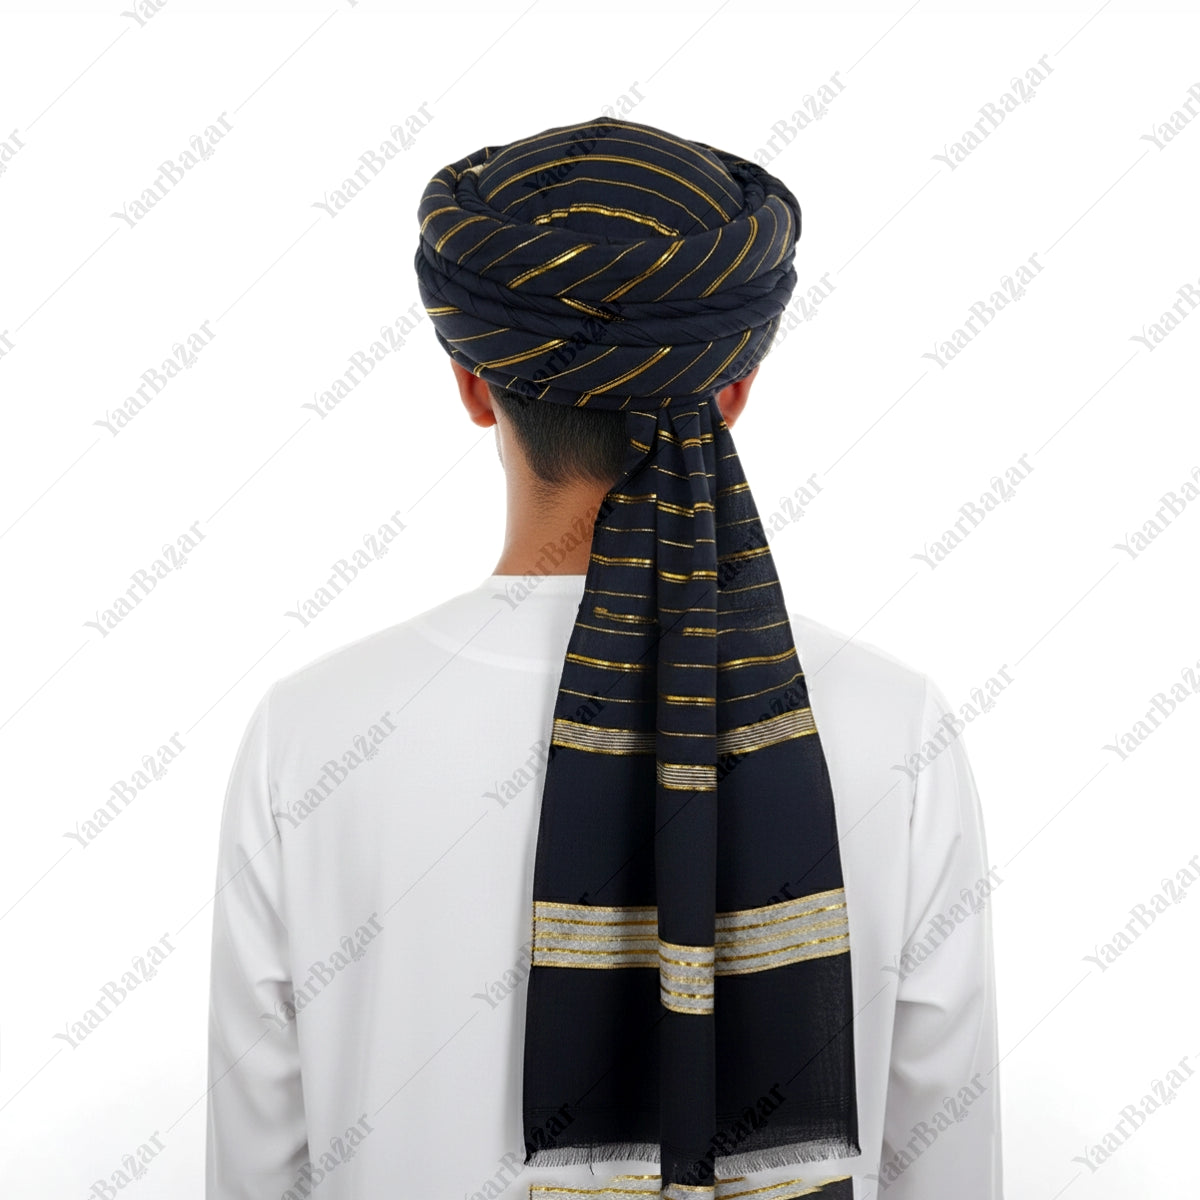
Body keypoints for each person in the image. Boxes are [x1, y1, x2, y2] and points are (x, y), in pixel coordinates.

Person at [206, 117, 1002, 1200]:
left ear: (472, 383)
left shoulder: (309, 735)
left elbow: (255, 1166)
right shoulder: (893, 724)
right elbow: (947, 1163)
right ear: (735, 387)